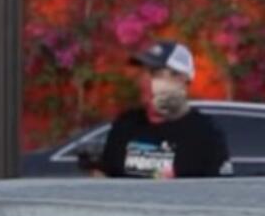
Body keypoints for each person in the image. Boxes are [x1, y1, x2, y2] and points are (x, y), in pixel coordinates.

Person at [98, 40, 231, 180]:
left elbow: (218, 193)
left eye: (156, 74)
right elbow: (107, 180)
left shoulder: (206, 134)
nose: (145, 80)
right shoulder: (125, 125)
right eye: (143, 73)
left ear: (181, 80)